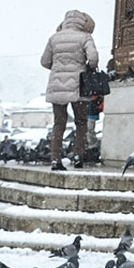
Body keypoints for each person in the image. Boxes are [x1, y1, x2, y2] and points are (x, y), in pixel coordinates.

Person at [40, 10, 98, 171]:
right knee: (81, 122)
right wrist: (85, 67)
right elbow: (93, 58)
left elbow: (44, 61)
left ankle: (55, 159)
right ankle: (79, 156)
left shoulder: (54, 38)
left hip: (56, 86)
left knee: (59, 124)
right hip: (78, 85)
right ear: (82, 22)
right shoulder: (85, 37)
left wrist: (58, 68)